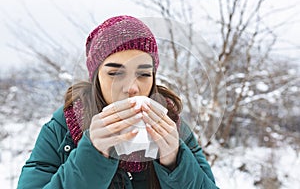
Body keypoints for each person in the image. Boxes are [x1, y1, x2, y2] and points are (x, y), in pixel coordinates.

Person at [17, 15, 219, 188]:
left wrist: (175, 162)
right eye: (115, 73)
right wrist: (92, 154)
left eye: (143, 74)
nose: (131, 87)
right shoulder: (62, 130)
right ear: (95, 77)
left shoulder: (174, 127)